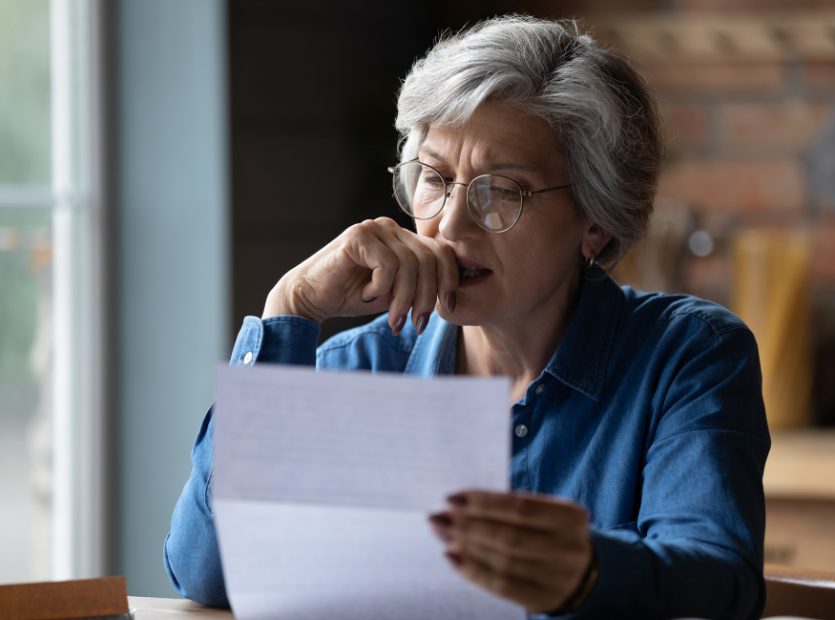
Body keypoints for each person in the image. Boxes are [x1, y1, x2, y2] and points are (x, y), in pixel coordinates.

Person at [164, 15, 769, 619]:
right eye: (434, 178)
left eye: (502, 190)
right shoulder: (361, 367)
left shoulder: (688, 356)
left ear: (596, 219)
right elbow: (208, 574)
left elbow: (719, 584)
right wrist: (289, 309)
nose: (450, 226)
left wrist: (585, 572)